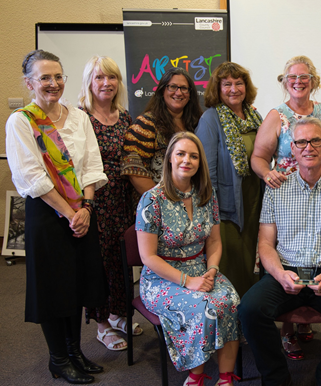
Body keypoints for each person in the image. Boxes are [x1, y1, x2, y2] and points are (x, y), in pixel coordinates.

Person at [239, 117, 321, 386]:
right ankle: (277, 378)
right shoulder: (277, 189)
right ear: (292, 148)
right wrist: (278, 274)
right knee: (249, 309)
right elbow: (265, 244)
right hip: (286, 272)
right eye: (301, 141)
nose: (308, 147)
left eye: (316, 140)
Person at [6, 50, 108, 384]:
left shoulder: (79, 117)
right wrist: (69, 213)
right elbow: (31, 176)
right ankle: (58, 359)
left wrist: (86, 209)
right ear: (30, 83)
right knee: (54, 289)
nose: (53, 83)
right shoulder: (21, 121)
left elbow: (93, 166)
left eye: (59, 76)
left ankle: (75, 351)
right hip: (48, 214)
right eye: (45, 77)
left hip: (82, 210)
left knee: (77, 285)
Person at [136, 132, 240, 386]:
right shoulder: (152, 200)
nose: (187, 160)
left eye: (193, 156)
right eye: (181, 154)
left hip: (201, 269)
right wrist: (187, 281)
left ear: (199, 163)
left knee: (231, 301)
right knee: (203, 307)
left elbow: (214, 241)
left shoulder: (206, 195)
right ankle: (196, 377)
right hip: (161, 277)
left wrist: (213, 269)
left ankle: (225, 378)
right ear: (170, 158)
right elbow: (147, 256)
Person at [250, 55, 321, 360]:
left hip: (320, 195)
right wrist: (266, 172)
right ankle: (287, 330)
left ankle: (305, 317)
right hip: (285, 197)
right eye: (292, 77)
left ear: (314, 80)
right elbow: (258, 157)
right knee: (287, 256)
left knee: (315, 254)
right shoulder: (277, 115)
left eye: (305, 76)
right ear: (284, 81)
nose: (298, 81)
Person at [78, 55, 142, 351]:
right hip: (94, 201)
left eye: (112, 77)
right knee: (98, 263)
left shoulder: (125, 117)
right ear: (90, 82)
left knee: (120, 260)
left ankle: (118, 314)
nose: (107, 83)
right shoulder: (80, 117)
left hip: (122, 200)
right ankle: (102, 324)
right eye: (100, 77)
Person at [196, 62, 263, 298]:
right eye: (227, 84)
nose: (234, 89)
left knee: (251, 261)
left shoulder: (255, 117)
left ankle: (249, 317)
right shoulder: (211, 119)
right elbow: (206, 173)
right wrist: (211, 209)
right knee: (231, 262)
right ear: (218, 88)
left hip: (255, 200)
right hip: (226, 205)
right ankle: (229, 320)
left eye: (238, 83)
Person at [122, 67, 203, 200]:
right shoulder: (145, 124)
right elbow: (135, 172)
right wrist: (166, 203)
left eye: (184, 88)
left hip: (191, 202)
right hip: (156, 206)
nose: (178, 92)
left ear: (190, 94)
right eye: (172, 87)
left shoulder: (198, 124)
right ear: (162, 91)